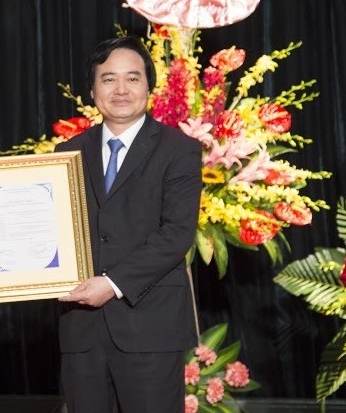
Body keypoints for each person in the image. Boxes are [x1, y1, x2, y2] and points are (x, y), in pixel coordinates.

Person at [54, 36, 202, 413]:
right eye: (108, 79)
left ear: (148, 88)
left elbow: (176, 234)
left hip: (150, 327)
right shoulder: (66, 153)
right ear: (92, 89)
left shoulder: (179, 149)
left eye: (132, 79)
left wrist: (112, 283)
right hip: (81, 329)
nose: (120, 90)